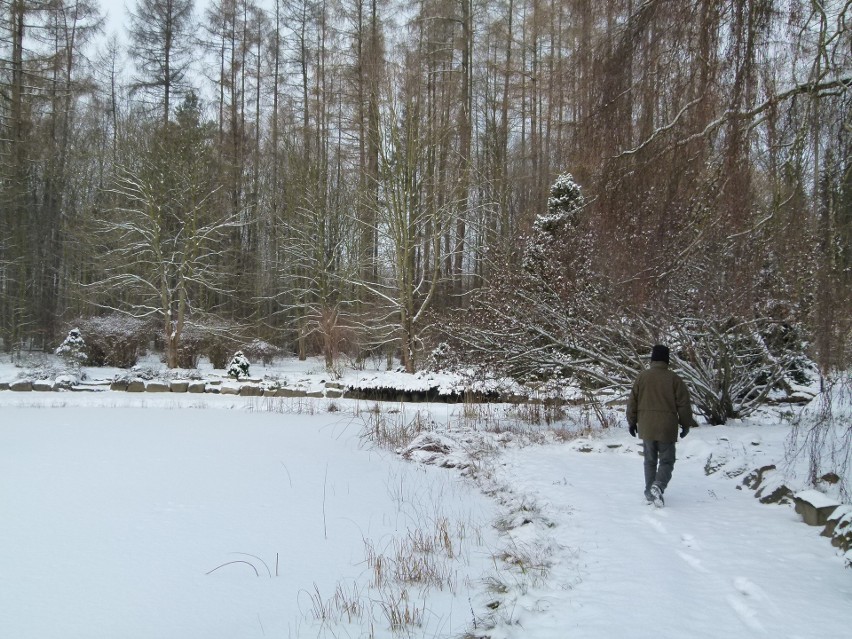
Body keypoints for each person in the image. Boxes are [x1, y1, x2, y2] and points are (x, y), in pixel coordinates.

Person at [626, 344, 698, 507]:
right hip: (667, 427)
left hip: (647, 426)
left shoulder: (642, 377)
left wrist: (632, 421)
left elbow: (632, 402)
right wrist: (686, 424)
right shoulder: (674, 379)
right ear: (667, 360)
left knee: (650, 461)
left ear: (652, 359)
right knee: (667, 461)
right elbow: (683, 404)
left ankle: (650, 493)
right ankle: (657, 486)